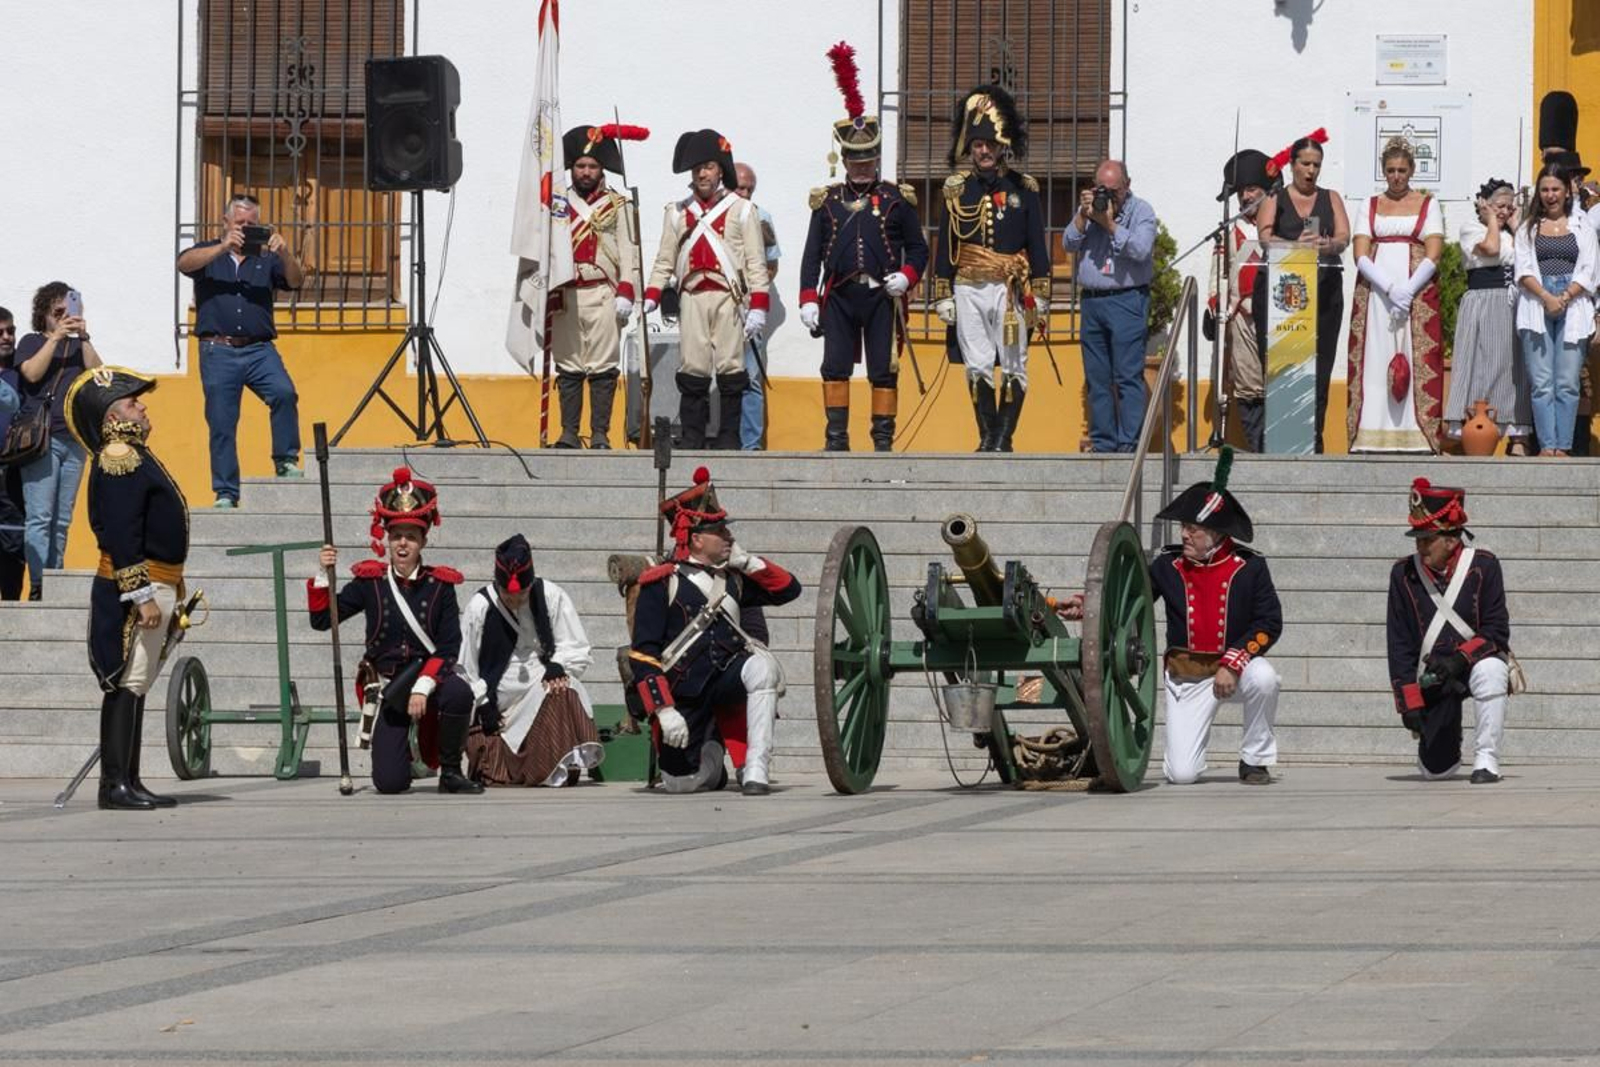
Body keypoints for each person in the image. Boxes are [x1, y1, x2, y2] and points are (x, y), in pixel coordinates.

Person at [308, 467, 483, 796]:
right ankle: (406, 759)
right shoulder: (370, 581)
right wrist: (323, 572)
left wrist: (422, 687)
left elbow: (448, 648)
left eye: (411, 536)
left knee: (459, 691)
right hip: (390, 687)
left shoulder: (440, 585)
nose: (403, 544)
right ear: (387, 539)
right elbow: (321, 621)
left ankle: (450, 771)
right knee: (389, 783)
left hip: (429, 681)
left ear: (423, 541)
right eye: (396, 535)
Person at [628, 466, 800, 795]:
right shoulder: (662, 582)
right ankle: (712, 759)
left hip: (727, 680)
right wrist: (663, 709)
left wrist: (749, 562)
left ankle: (756, 768)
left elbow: (790, 590)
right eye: (721, 532)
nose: (730, 538)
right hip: (683, 692)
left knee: (762, 668)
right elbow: (643, 653)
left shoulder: (734, 577)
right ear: (696, 539)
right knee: (681, 782)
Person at [65, 366, 189, 810]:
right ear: (114, 416)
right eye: (134, 403)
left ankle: (128, 780)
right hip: (136, 585)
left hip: (158, 579)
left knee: (134, 685)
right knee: (126, 682)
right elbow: (121, 532)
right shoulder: (120, 455)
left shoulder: (135, 454)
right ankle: (114, 784)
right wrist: (141, 595)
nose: (143, 407)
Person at [799, 42, 929, 452]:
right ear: (845, 159)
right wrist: (807, 298)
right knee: (834, 367)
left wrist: (905, 278)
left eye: (866, 160)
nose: (860, 166)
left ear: (875, 159)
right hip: (839, 295)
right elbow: (810, 255)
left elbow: (920, 249)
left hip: (880, 298)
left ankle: (882, 443)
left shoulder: (895, 199)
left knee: (883, 370)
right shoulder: (829, 200)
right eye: (854, 160)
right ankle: (836, 440)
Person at [1148, 448, 1283, 785]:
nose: (1183, 535)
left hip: (1233, 671)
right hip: (1188, 675)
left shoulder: (1249, 567)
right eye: (1183, 527)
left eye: (1192, 529)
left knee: (1265, 678)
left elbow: (1269, 624)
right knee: (1182, 775)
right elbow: (1129, 598)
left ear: (1216, 533)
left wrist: (1233, 662)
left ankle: (1254, 760)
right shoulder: (1167, 565)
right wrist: (1087, 603)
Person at [933, 85, 1052, 451]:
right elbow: (946, 242)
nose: (984, 150)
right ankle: (988, 437)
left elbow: (1037, 243)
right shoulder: (956, 190)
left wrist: (1043, 292)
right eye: (977, 143)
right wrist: (942, 291)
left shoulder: (1024, 189)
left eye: (990, 143)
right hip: (968, 287)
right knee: (978, 364)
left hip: (1011, 289)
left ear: (1003, 146)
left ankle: (1003, 437)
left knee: (1015, 363)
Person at [642, 130, 770, 449]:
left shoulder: (742, 210)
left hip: (728, 297)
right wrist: (652, 293)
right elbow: (665, 259)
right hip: (691, 296)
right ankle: (692, 436)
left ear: (720, 171)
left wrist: (758, 306)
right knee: (692, 369)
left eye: (709, 166)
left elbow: (756, 262)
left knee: (731, 369)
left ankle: (729, 438)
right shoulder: (676, 211)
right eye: (698, 167)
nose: (703, 173)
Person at [176, 193, 304, 508]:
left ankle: (285, 459)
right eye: (240, 223)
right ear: (226, 222)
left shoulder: (266, 257)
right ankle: (225, 492)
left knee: (284, 393)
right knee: (221, 422)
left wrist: (285, 253)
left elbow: (296, 281)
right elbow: (183, 263)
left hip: (259, 348)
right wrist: (223, 246)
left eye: (251, 223)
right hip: (217, 349)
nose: (246, 228)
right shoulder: (208, 251)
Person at [1386, 479, 1511, 783]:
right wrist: (1409, 702)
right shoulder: (1402, 573)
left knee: (1493, 669)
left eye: (1427, 539)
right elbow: (1399, 643)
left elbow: (1496, 631)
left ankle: (1486, 759)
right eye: (1418, 539)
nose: (1420, 546)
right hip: (1434, 676)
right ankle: (1447, 747)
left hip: (1471, 664)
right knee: (1435, 771)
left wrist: (1459, 660)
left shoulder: (1484, 565)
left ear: (1451, 540)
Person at [460, 533, 603, 787]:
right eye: (508, 595)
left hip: (538, 681)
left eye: (522, 595)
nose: (515, 601)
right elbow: (465, 666)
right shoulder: (479, 607)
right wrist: (483, 704)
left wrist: (559, 665)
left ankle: (552, 769)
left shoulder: (550, 595)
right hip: (499, 693)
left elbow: (575, 646)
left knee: (564, 689)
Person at [1348, 137, 1445, 453]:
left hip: (1415, 291)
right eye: (1390, 170)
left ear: (1412, 170)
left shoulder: (1428, 204)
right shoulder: (1369, 204)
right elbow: (1360, 252)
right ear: (1383, 171)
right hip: (1377, 293)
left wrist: (1409, 289)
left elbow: (1434, 251)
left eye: (1402, 170)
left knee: (1415, 357)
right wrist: (1390, 288)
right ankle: (1371, 430)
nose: (1396, 176)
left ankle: (1416, 432)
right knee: (1375, 356)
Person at [1256, 130, 1350, 453]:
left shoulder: (1331, 197)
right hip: (1284, 296)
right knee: (1285, 369)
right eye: (1305, 164)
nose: (1311, 171)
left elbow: (1344, 238)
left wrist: (1328, 245)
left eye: (1317, 165)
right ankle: (1284, 440)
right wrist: (1295, 246)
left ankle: (1315, 441)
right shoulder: (1274, 197)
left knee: (1320, 368)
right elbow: (1266, 238)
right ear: (1293, 164)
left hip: (1323, 292)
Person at [1062, 158, 1159, 453]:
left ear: (1127, 186)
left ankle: (1129, 445)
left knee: (1128, 376)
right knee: (1097, 377)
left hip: (1127, 299)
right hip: (1093, 302)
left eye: (1113, 190)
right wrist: (1083, 214)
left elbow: (1141, 250)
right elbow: (1068, 243)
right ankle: (1104, 443)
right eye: (1101, 188)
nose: (1107, 195)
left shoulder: (1141, 211)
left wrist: (1110, 225)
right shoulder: (1089, 211)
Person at [551, 126, 638, 451]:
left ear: (601, 169)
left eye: (592, 166)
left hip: (603, 292)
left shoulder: (617, 205)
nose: (585, 172)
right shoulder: (557, 205)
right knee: (569, 364)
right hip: (567, 292)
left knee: (602, 366)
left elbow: (630, 250)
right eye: (580, 166)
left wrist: (627, 290)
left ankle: (600, 434)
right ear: (571, 169)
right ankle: (569, 433)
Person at [14, 282, 102, 601]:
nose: (65, 316)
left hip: (75, 438)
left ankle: (56, 581)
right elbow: (32, 374)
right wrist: (54, 337)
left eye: (69, 310)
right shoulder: (31, 341)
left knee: (62, 519)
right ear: (45, 313)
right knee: (40, 516)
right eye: (58, 311)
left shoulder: (81, 347)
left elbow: (99, 378)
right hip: (42, 439)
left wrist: (84, 336)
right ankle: (38, 584)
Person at [1514, 162, 1597, 456]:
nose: (1550, 195)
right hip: (1536, 302)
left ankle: (1563, 446)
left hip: (1572, 303)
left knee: (1567, 381)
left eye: (1556, 189)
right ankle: (1547, 445)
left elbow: (1590, 269)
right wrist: (1546, 296)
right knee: (1541, 382)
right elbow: (1523, 268)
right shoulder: (1528, 228)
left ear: (1566, 192)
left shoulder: (1582, 225)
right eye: (1545, 189)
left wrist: (1564, 295)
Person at [1445, 179, 1532, 452]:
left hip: (1511, 303)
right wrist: (1492, 219)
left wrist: (1517, 225)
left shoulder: (1516, 232)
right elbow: (1491, 249)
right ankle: (1472, 427)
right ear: (1484, 205)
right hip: (1483, 302)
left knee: (1511, 367)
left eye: (1508, 206)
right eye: (1498, 206)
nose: (1504, 211)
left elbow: (1529, 257)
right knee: (1479, 367)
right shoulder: (1472, 229)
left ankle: (1517, 433)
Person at [1207, 149, 1270, 451]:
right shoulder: (1230, 232)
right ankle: (1257, 447)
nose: (1246, 197)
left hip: (1277, 318)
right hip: (1242, 317)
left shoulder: (1281, 226)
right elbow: (1216, 274)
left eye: (1252, 189)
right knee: (1248, 387)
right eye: (1242, 191)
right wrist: (1215, 307)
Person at [734, 162, 779, 451]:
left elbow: (771, 264)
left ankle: (750, 445)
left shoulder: (761, 218)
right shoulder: (710, 214)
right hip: (715, 306)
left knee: (750, 378)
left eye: (750, 188)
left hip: (750, 308)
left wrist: (754, 296)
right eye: (741, 186)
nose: (746, 192)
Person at [0, 306, 26, 600]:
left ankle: (10, 608)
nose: (7, 338)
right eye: (0, 333)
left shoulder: (25, 371)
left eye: (11, 331)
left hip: (13, 470)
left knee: (12, 540)